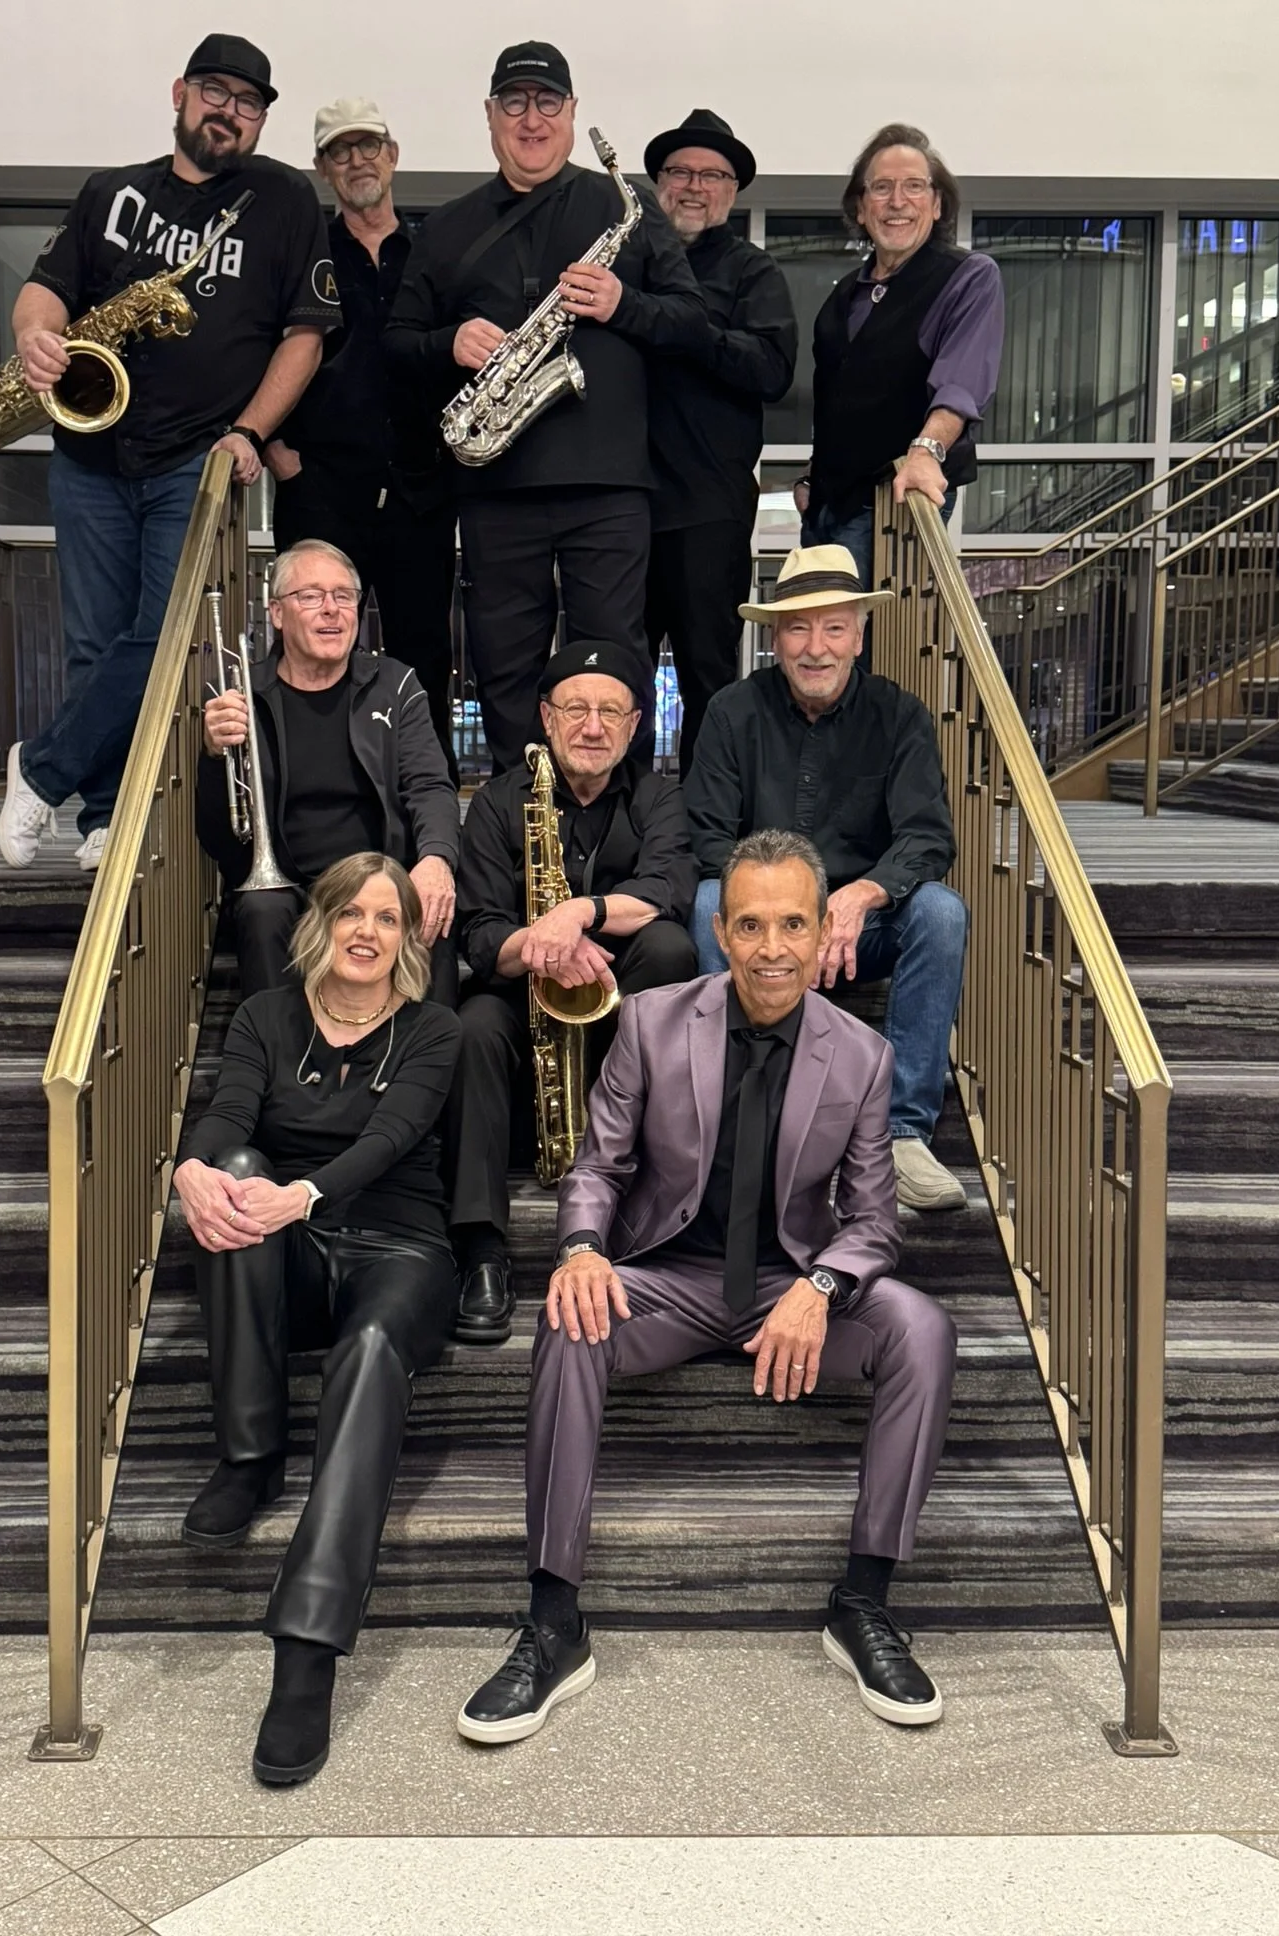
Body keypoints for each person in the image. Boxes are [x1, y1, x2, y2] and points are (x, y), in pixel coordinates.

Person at [456, 830, 957, 1744]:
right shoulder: (651, 1021)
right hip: (671, 1280)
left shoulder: (863, 1056)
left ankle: (865, 1602)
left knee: (920, 1327)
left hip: (785, 1287)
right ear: (721, 932)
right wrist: (577, 1250)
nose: (773, 947)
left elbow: (875, 1222)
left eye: (794, 924)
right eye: (753, 925)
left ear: (821, 937)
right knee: (572, 1319)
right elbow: (599, 1168)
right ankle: (553, 1619)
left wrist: (820, 1285)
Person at [0, 33, 341, 874]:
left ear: (262, 121)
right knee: (94, 641)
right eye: (216, 92)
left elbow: (306, 337)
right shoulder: (109, 193)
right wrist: (36, 337)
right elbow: (45, 291)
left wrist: (249, 431)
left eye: (250, 103)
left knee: (161, 636)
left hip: (195, 454)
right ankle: (104, 818)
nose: (230, 111)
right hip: (89, 451)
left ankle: (40, 769)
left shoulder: (284, 200)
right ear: (180, 92)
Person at [172, 852, 461, 1786]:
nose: (368, 932)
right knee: (232, 1182)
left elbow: (390, 1140)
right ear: (323, 923)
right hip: (288, 1251)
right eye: (352, 913)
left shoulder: (434, 1031)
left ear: (406, 937)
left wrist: (304, 1194)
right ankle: (251, 1456)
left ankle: (305, 1654)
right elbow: (227, 1119)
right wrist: (193, 1169)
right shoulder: (267, 1015)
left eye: (388, 917)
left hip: (401, 1253)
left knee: (372, 1346)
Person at [384, 41, 706, 774]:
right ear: (491, 116)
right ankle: (517, 833)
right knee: (504, 675)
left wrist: (624, 303)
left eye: (547, 102)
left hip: (609, 487)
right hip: (496, 491)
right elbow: (396, 345)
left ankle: (617, 842)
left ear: (572, 114)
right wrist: (447, 342)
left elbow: (691, 323)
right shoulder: (449, 227)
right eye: (515, 103)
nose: (532, 119)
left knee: (613, 672)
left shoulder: (625, 207)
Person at [683, 547, 969, 1213]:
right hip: (768, 928)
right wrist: (788, 914)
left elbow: (927, 836)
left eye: (833, 628)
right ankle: (739, 1107)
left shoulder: (899, 716)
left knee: (941, 913)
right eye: (798, 628)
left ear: (858, 636)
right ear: (774, 638)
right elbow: (706, 837)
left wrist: (864, 893)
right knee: (705, 905)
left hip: (858, 931)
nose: (816, 648)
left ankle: (901, 1132)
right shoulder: (731, 713)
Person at [448, 640, 697, 1344]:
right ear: (546, 719)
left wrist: (577, 914)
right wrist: (543, 948)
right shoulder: (500, 801)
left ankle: (645, 1199)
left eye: (610, 712)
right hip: (526, 1003)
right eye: (577, 709)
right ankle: (480, 1251)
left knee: (671, 949)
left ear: (634, 723)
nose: (593, 726)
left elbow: (668, 893)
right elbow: (480, 933)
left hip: (619, 1014)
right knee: (472, 1026)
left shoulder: (658, 796)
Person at [267, 98, 459, 771]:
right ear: (323, 168)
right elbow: (260, 347)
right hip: (320, 489)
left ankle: (430, 810)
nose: (357, 160)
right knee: (310, 652)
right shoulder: (300, 250)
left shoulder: (436, 248)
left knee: (426, 657)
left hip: (419, 491)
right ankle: (310, 789)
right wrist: (275, 451)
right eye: (340, 151)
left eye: (368, 145)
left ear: (393, 154)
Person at [197, 540, 460, 1006]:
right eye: (312, 596)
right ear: (277, 613)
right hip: (287, 886)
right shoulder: (239, 694)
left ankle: (424, 1070)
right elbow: (218, 839)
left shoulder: (396, 684)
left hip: (379, 877)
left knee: (429, 903)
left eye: (344, 596)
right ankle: (280, 1069)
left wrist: (436, 859)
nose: (331, 611)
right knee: (260, 908)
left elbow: (430, 785)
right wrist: (214, 755)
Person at [642, 109, 796, 773]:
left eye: (712, 174)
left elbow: (772, 370)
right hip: (625, 509)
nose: (694, 186)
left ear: (732, 190)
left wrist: (687, 326)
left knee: (712, 679)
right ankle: (621, 827)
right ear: (658, 184)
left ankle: (705, 832)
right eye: (680, 172)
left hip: (709, 509)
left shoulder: (753, 272)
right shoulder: (628, 263)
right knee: (620, 679)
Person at [797, 123, 1004, 589]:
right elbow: (837, 401)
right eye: (882, 188)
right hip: (827, 508)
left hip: (896, 504)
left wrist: (926, 452)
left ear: (936, 204)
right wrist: (812, 479)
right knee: (822, 642)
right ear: (860, 207)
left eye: (914, 187)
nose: (897, 202)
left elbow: (961, 382)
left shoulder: (968, 277)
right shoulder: (845, 295)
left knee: (866, 646)